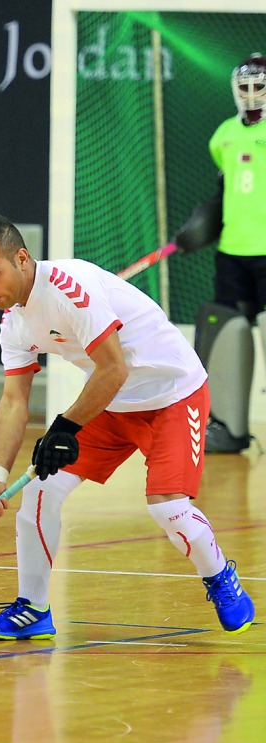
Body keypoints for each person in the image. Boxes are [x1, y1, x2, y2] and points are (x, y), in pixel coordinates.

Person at [0, 211, 255, 639]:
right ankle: (33, 609)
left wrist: (65, 425)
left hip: (172, 393)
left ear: (21, 259)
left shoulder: (66, 288)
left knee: (169, 508)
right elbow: (12, 402)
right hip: (113, 403)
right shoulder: (14, 323)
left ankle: (219, 577)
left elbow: (113, 367)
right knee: (40, 489)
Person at [195, 53, 266, 454]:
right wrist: (204, 221)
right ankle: (228, 428)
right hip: (232, 252)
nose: (252, 95)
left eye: (260, 87)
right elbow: (228, 190)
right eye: (245, 87)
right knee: (229, 333)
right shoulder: (222, 136)